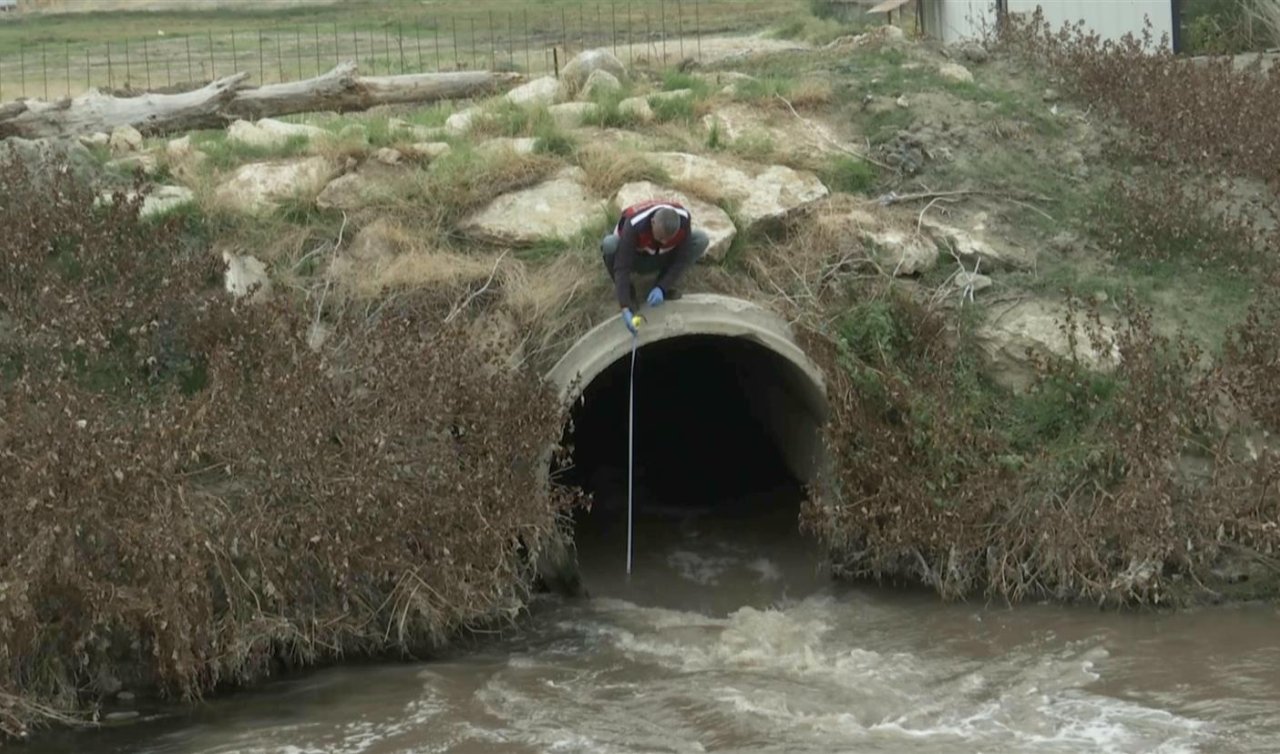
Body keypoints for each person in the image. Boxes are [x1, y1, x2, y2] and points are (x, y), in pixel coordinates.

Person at [601, 199, 710, 334]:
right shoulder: (634, 224)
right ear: (652, 222)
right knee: (609, 244)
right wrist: (625, 306)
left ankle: (661, 286)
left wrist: (662, 287)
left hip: (662, 256)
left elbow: (682, 258)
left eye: (668, 239)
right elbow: (622, 266)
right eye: (660, 237)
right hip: (638, 258)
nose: (664, 241)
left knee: (700, 239)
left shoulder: (683, 220)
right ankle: (631, 294)